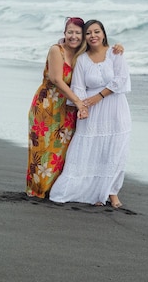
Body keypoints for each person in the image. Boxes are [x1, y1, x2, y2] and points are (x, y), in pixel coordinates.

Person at [26, 17, 123, 199]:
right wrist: (79, 102)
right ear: (64, 34)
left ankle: (56, 189)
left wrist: (117, 48)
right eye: (70, 32)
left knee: (62, 152)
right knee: (44, 150)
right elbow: (56, 79)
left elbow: (100, 58)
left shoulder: (81, 54)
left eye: (78, 33)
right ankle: (38, 191)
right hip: (48, 105)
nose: (74, 36)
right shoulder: (57, 50)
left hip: (68, 109)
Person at [49, 20, 132, 208]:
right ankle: (93, 191)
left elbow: (121, 79)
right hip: (91, 109)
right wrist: (82, 107)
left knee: (115, 151)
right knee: (89, 149)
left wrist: (99, 96)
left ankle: (112, 193)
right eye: (88, 33)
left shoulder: (115, 53)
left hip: (116, 107)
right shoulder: (82, 60)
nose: (93, 35)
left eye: (97, 31)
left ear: (103, 34)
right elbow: (78, 86)